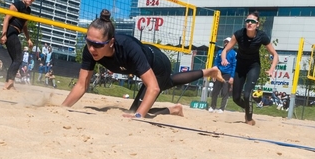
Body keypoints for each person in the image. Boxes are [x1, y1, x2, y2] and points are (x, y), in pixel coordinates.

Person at [62, 9, 224, 119]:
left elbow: (153, 88)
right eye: (88, 42)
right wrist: (62, 108)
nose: (92, 48)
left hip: (158, 64)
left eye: (97, 44)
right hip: (147, 54)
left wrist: (138, 117)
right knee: (170, 81)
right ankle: (208, 72)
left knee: (137, 110)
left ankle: (173, 110)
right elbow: (82, 84)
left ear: (111, 42)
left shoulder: (128, 49)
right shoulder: (90, 50)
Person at [220, 11, 279, 126]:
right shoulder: (238, 34)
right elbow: (225, 50)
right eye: (247, 21)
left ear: (257, 24)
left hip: (253, 66)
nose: (249, 23)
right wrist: (224, 59)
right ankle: (248, 108)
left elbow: (275, 55)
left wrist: (272, 69)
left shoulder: (262, 36)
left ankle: (249, 119)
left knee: (247, 94)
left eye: (252, 21)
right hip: (240, 66)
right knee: (236, 98)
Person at [0, 0, 35, 90]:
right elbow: (6, 18)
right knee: (19, 58)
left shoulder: (28, 10)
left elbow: (24, 26)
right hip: (10, 32)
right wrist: (4, 34)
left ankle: (9, 84)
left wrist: (28, 39)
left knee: (16, 59)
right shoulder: (18, 4)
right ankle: (9, 83)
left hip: (15, 33)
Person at [209, 37, 237, 113]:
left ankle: (221, 108)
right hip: (219, 72)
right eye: (225, 42)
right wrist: (214, 74)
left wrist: (232, 77)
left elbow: (235, 66)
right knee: (215, 91)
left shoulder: (233, 53)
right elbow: (216, 63)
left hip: (228, 74)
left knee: (225, 92)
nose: (226, 43)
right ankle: (212, 106)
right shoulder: (220, 52)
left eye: (227, 42)